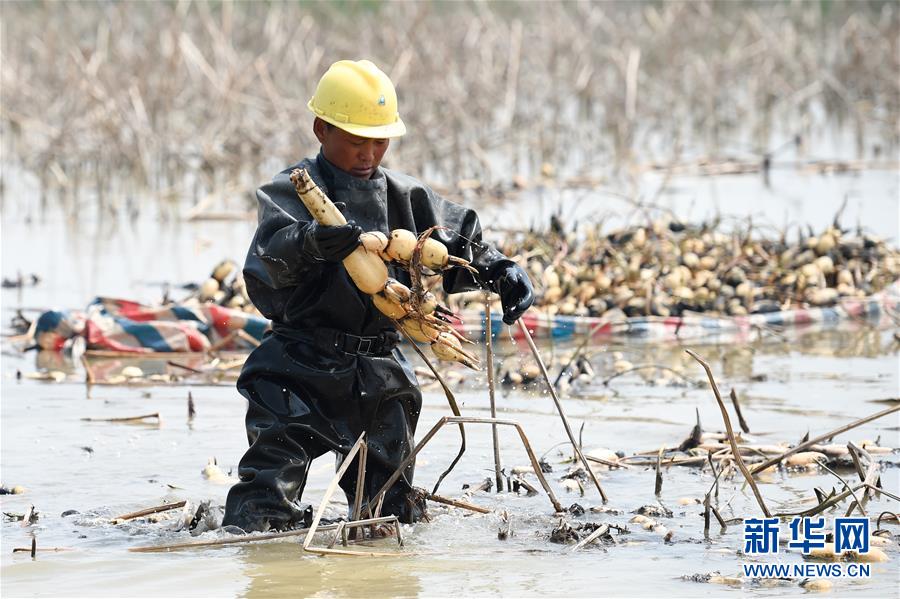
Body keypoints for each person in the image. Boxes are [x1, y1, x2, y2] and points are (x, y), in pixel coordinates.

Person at [222, 59, 534, 532]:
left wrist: (499, 269)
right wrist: (309, 241)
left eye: (379, 140)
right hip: (298, 363)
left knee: (388, 514)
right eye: (355, 139)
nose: (369, 153)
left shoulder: (405, 197)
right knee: (266, 503)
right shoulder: (291, 191)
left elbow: (456, 242)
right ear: (321, 129)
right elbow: (266, 263)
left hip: (379, 369)